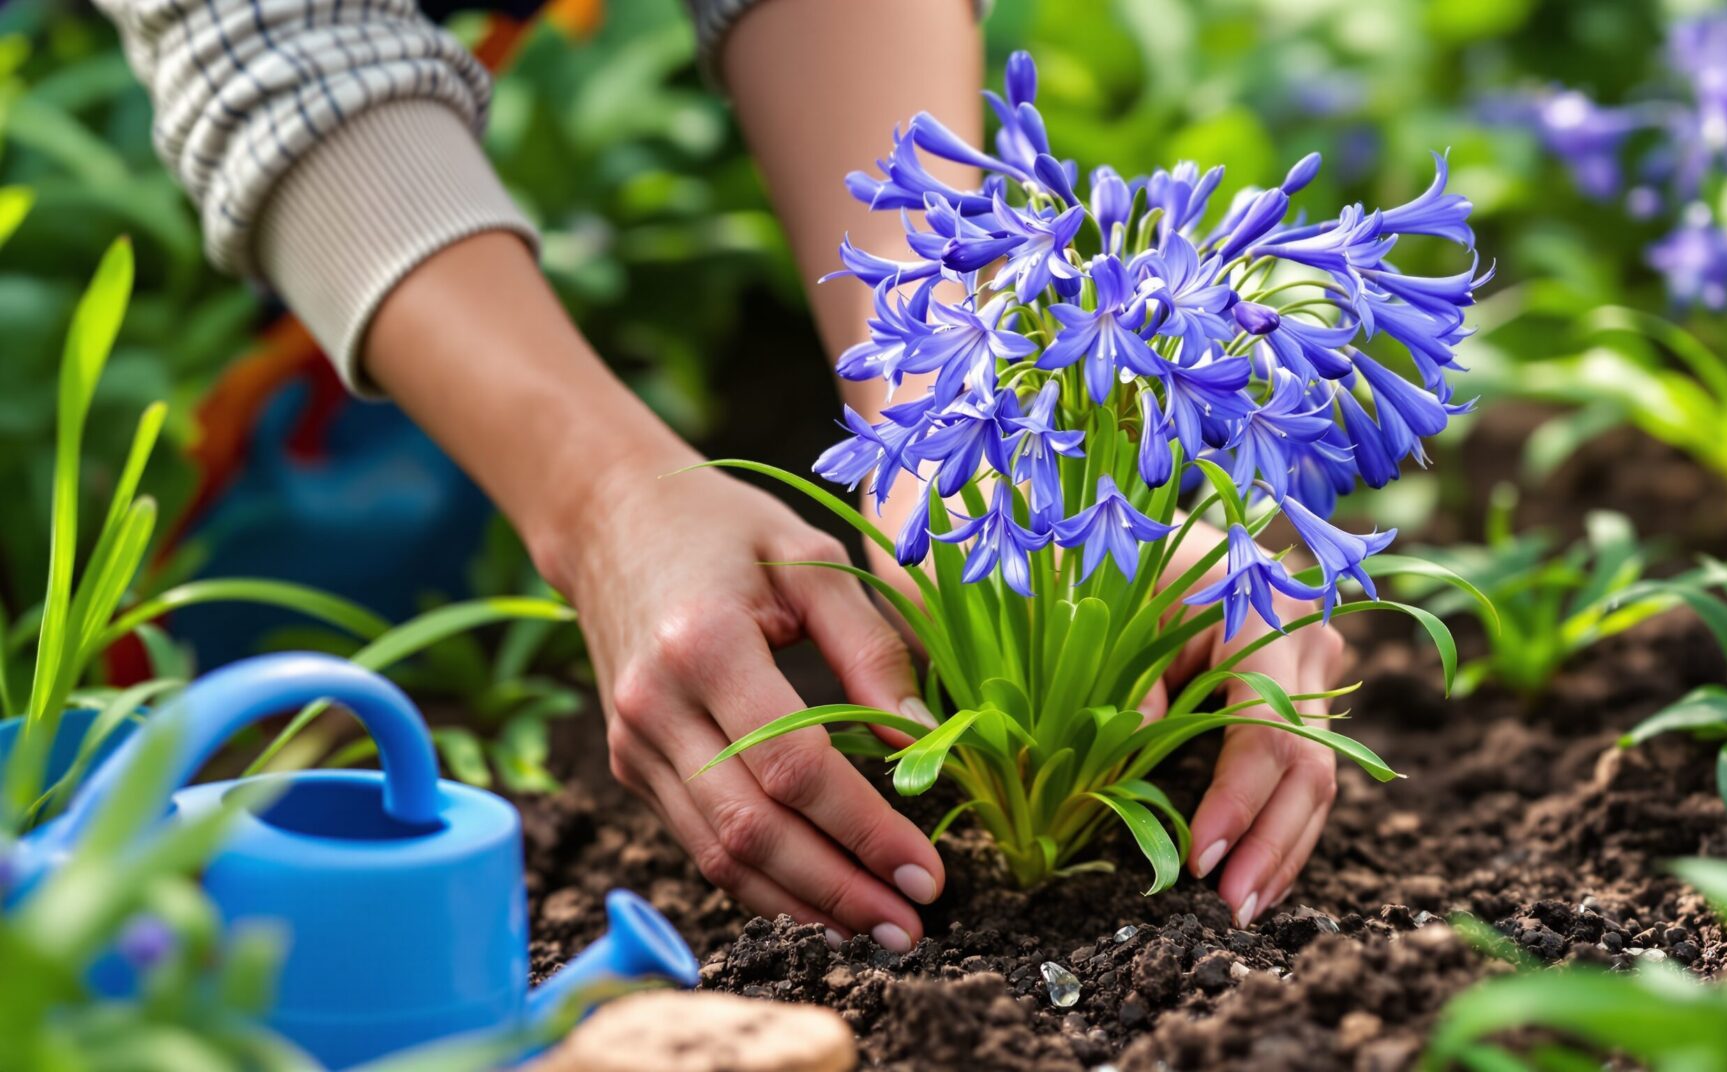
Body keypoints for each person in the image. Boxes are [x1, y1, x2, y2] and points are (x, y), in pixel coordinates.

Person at [92, 0, 1345, 951]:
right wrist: (601, 501)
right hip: (320, 289)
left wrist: (949, 447)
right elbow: (267, 36)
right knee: (292, 608)